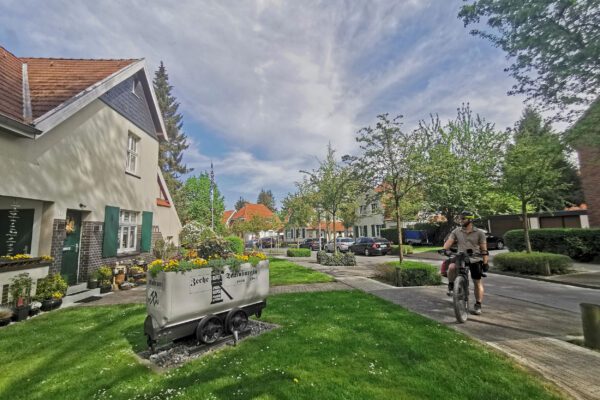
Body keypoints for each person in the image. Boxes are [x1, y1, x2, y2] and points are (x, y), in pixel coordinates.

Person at [442, 211, 489, 315]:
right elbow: (449, 241)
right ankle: (451, 286)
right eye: (460, 218)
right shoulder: (456, 231)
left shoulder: (480, 233)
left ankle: (478, 304)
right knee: (451, 267)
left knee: (477, 282)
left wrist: (485, 263)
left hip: (475, 259)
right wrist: (444, 249)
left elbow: (484, 249)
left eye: (463, 219)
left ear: (470, 219)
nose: (461, 220)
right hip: (461, 258)